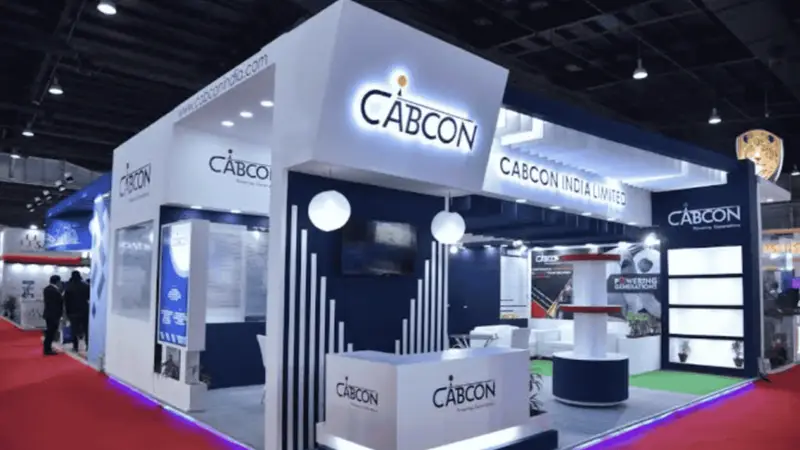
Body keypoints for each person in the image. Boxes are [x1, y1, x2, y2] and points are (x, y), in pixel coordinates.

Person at [63, 271, 90, 353]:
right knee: (86, 329)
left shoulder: (68, 287)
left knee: (74, 330)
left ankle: (75, 346)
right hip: (84, 310)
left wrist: (67, 313)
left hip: (73, 312)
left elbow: (66, 301)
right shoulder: (86, 286)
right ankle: (88, 345)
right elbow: (89, 297)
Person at [42, 275, 63, 356]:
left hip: (49, 313)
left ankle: (47, 348)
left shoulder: (47, 289)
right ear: (57, 281)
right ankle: (47, 349)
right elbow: (57, 303)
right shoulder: (54, 291)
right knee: (51, 332)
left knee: (50, 332)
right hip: (53, 314)